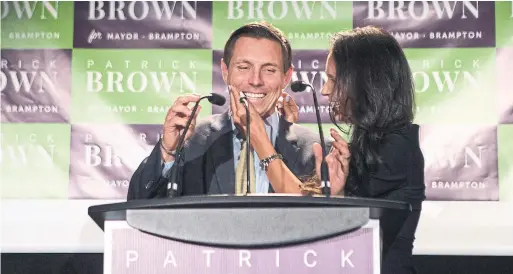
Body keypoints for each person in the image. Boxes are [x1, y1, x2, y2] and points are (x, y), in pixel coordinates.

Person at [260, 26, 426, 273]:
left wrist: (258, 137)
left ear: (366, 81)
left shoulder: (395, 148)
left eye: (334, 80)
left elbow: (314, 218)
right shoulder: (369, 142)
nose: (326, 90)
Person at [126, 21, 323, 199]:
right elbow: (138, 206)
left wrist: (261, 141)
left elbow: (324, 222)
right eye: (243, 67)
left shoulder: (315, 148)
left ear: (286, 77)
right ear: (225, 71)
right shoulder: (192, 139)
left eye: (269, 70)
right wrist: (167, 152)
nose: (255, 80)